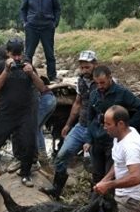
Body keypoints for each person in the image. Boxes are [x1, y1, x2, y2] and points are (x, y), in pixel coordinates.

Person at [0, 38, 46, 190]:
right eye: (14, 55)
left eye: (19, 54)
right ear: (7, 53)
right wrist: (6, 71)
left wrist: (31, 73)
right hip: (6, 113)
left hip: (26, 112)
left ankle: (25, 173)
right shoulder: (1, 64)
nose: (17, 58)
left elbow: (42, 88)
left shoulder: (27, 62)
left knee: (28, 143)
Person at [41, 50, 98, 199]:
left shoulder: (103, 80)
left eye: (87, 67)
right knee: (61, 155)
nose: (85, 70)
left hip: (97, 128)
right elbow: (78, 103)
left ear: (95, 64)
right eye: (82, 67)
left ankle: (95, 195)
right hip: (81, 125)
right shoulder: (80, 81)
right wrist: (68, 124)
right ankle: (56, 190)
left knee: (95, 163)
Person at [85, 66, 140, 185]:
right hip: (96, 140)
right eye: (97, 83)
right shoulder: (94, 94)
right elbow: (89, 117)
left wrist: (128, 127)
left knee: (112, 175)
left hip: (112, 141)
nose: (100, 86)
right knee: (96, 175)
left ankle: (110, 201)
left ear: (110, 78)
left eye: (103, 83)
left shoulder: (122, 93)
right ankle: (96, 201)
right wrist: (88, 139)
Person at [20, 0, 61, 81]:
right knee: (28, 53)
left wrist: (55, 23)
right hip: (32, 27)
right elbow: (23, 9)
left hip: (47, 26)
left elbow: (57, 9)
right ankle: (26, 76)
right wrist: (25, 23)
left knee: (49, 53)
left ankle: (52, 76)